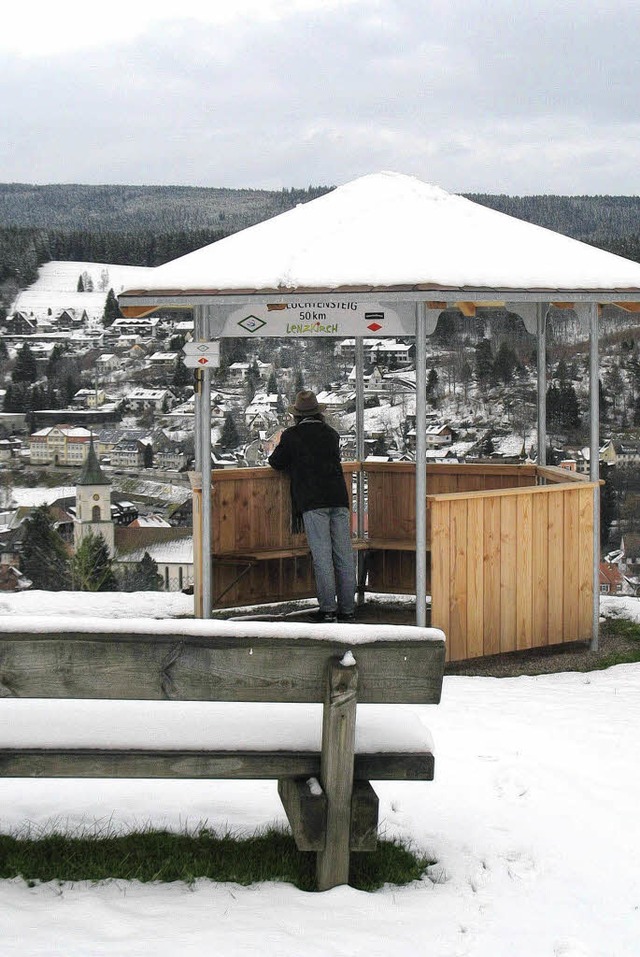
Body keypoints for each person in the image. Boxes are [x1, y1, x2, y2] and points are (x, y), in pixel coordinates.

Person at [268, 390, 356, 623]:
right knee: (344, 555)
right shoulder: (331, 434)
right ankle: (347, 609)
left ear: (296, 415)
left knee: (323, 557)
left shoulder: (291, 436)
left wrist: (280, 443)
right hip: (339, 498)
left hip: (313, 502)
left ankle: (328, 610)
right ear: (319, 414)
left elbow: (276, 463)